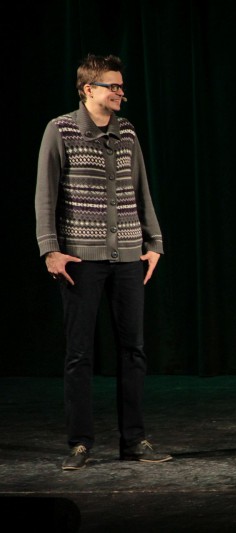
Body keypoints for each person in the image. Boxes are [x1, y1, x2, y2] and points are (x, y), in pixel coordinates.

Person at [35, 54, 172, 470]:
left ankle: (134, 440)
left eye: (121, 86)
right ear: (88, 89)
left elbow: (141, 189)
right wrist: (49, 249)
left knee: (133, 351)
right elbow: (45, 195)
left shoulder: (126, 132)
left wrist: (154, 242)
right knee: (79, 354)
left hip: (129, 257)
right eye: (113, 86)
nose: (120, 92)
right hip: (81, 259)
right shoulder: (60, 130)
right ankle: (80, 443)